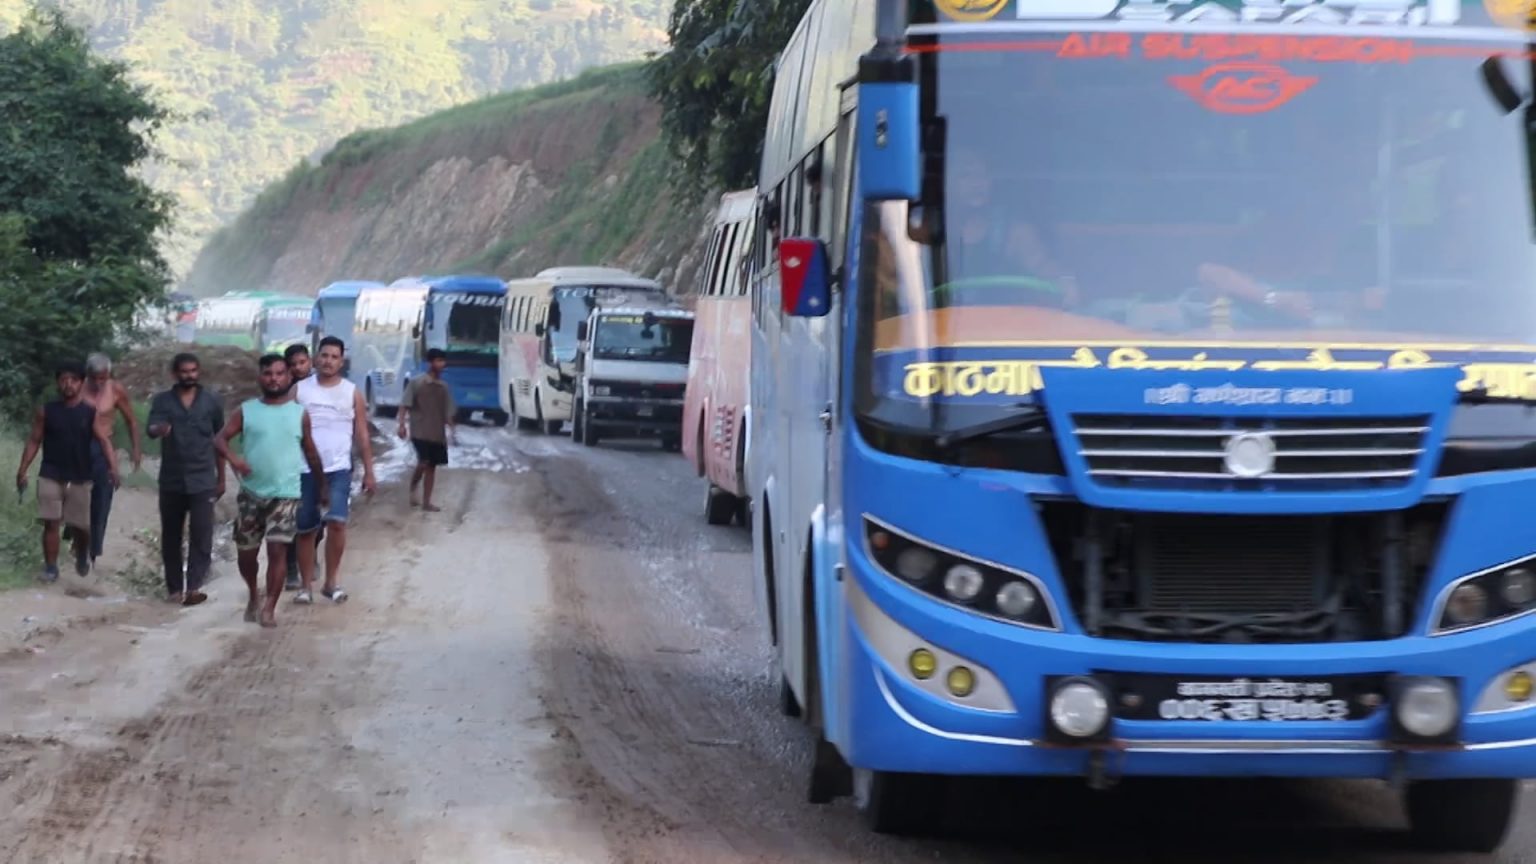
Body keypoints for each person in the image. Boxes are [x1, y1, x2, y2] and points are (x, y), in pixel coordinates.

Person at [214, 354, 327, 629]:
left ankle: (269, 608)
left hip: (286, 494)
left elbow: (311, 454)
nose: (274, 379)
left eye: (279, 374)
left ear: (289, 377)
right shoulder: (247, 410)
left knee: (277, 551)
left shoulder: (299, 414)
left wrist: (322, 488)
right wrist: (234, 459)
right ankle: (254, 594)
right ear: (260, 377)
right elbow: (219, 439)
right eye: (268, 374)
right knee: (247, 554)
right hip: (251, 493)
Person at [15, 362, 120, 582]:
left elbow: (103, 441)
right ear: (57, 383)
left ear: (81, 383)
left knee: (80, 526)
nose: (68, 384)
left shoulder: (90, 413)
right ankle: (51, 568)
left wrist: (113, 468)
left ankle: (82, 551)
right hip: (51, 473)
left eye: (73, 380)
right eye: (63, 380)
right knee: (51, 522)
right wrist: (23, 469)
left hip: (80, 476)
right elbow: (34, 440)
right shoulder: (47, 411)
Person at [293, 336, 377, 605]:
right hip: (304, 469)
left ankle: (331, 582)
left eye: (334, 357)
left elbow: (361, 434)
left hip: (339, 468)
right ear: (316, 358)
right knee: (306, 528)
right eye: (324, 355)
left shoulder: (352, 392)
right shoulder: (299, 390)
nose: (328, 361)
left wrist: (369, 471)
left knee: (337, 523)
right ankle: (305, 586)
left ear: (341, 361)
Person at [146, 353, 226, 606]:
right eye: (184, 371)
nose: (189, 375)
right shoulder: (163, 401)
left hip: (203, 479)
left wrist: (221, 477)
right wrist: (159, 430)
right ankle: (173, 589)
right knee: (171, 535)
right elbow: (151, 428)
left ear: (199, 371)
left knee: (202, 533)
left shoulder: (211, 401)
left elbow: (220, 440)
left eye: (193, 370)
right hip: (172, 480)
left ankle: (193, 586)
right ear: (175, 373)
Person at [82, 353, 143, 566]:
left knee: (102, 499)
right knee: (75, 497)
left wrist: (136, 449)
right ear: (87, 375)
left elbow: (132, 421)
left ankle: (92, 550)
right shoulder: (78, 388)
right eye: (94, 378)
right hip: (78, 447)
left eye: (103, 377)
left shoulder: (115, 389)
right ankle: (77, 540)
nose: (99, 382)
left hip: (103, 448)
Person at [398, 348, 456, 512]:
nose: (441, 364)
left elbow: (448, 412)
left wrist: (452, 430)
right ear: (430, 363)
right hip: (419, 431)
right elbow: (404, 405)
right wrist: (402, 424)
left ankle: (426, 501)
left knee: (432, 466)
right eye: (438, 361)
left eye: (443, 361)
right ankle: (413, 486)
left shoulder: (444, 388)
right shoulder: (417, 383)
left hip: (437, 433)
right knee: (423, 462)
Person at [282, 343, 314, 589]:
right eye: (293, 364)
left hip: (321, 463)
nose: (299, 368)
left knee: (319, 521)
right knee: (294, 520)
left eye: (302, 362)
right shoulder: (283, 391)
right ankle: (292, 568)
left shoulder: (321, 387)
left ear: (310, 362)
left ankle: (310, 555)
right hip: (293, 464)